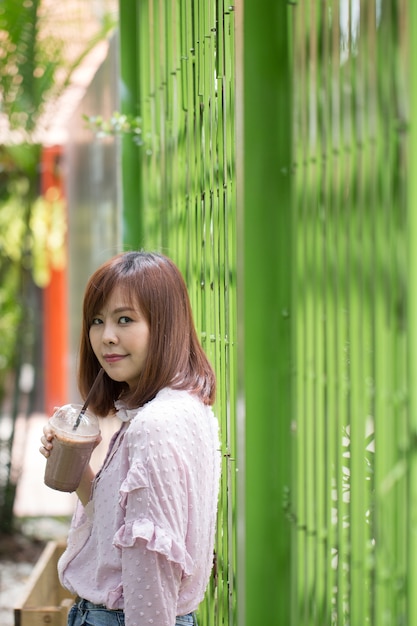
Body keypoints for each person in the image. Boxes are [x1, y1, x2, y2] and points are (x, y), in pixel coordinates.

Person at [40, 251, 220, 626]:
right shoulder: (181, 407)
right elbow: (117, 531)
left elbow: (151, 568)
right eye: (97, 320)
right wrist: (78, 470)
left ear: (165, 325)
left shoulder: (154, 426)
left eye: (125, 320)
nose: (107, 337)